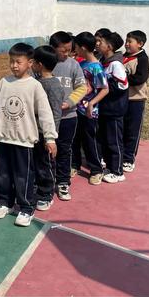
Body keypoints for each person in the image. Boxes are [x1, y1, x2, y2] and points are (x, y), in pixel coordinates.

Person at [0, 43, 58, 227]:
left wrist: (50, 137)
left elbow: (46, 113)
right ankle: (5, 201)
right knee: (3, 174)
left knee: (24, 176)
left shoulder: (34, 86)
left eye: (18, 62)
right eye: (11, 61)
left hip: (24, 141)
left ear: (30, 63)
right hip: (4, 138)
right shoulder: (4, 82)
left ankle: (26, 207)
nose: (14, 65)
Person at [50, 31, 87, 201]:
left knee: (64, 149)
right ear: (53, 48)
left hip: (68, 117)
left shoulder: (73, 65)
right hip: (47, 118)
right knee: (47, 149)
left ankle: (63, 181)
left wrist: (69, 103)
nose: (66, 54)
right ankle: (47, 180)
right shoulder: (44, 64)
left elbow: (82, 88)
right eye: (63, 50)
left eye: (69, 50)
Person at [72, 32, 109, 185]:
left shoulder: (96, 68)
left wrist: (92, 103)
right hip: (76, 108)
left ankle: (96, 170)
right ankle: (74, 164)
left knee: (89, 141)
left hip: (89, 111)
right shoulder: (81, 64)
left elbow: (104, 89)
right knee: (75, 139)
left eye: (76, 46)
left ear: (82, 47)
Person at [31, 45, 64, 211]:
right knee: (36, 162)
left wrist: (51, 137)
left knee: (46, 164)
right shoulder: (36, 81)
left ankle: (46, 193)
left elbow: (56, 113)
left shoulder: (53, 85)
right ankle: (37, 186)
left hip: (46, 133)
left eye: (33, 62)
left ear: (40, 64)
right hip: (33, 132)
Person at [97, 31, 129, 183]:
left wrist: (103, 86)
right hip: (106, 108)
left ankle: (118, 171)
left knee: (114, 141)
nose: (97, 44)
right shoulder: (103, 61)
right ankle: (110, 166)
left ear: (108, 46)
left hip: (114, 109)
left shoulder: (115, 64)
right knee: (106, 139)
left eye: (100, 42)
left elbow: (122, 85)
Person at [123, 30, 149, 173]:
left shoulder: (142, 59)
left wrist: (122, 79)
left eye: (130, 42)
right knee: (120, 129)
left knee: (132, 130)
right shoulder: (122, 57)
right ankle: (119, 155)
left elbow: (140, 78)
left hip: (136, 100)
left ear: (140, 44)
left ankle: (128, 158)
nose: (127, 44)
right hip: (122, 99)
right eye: (126, 41)